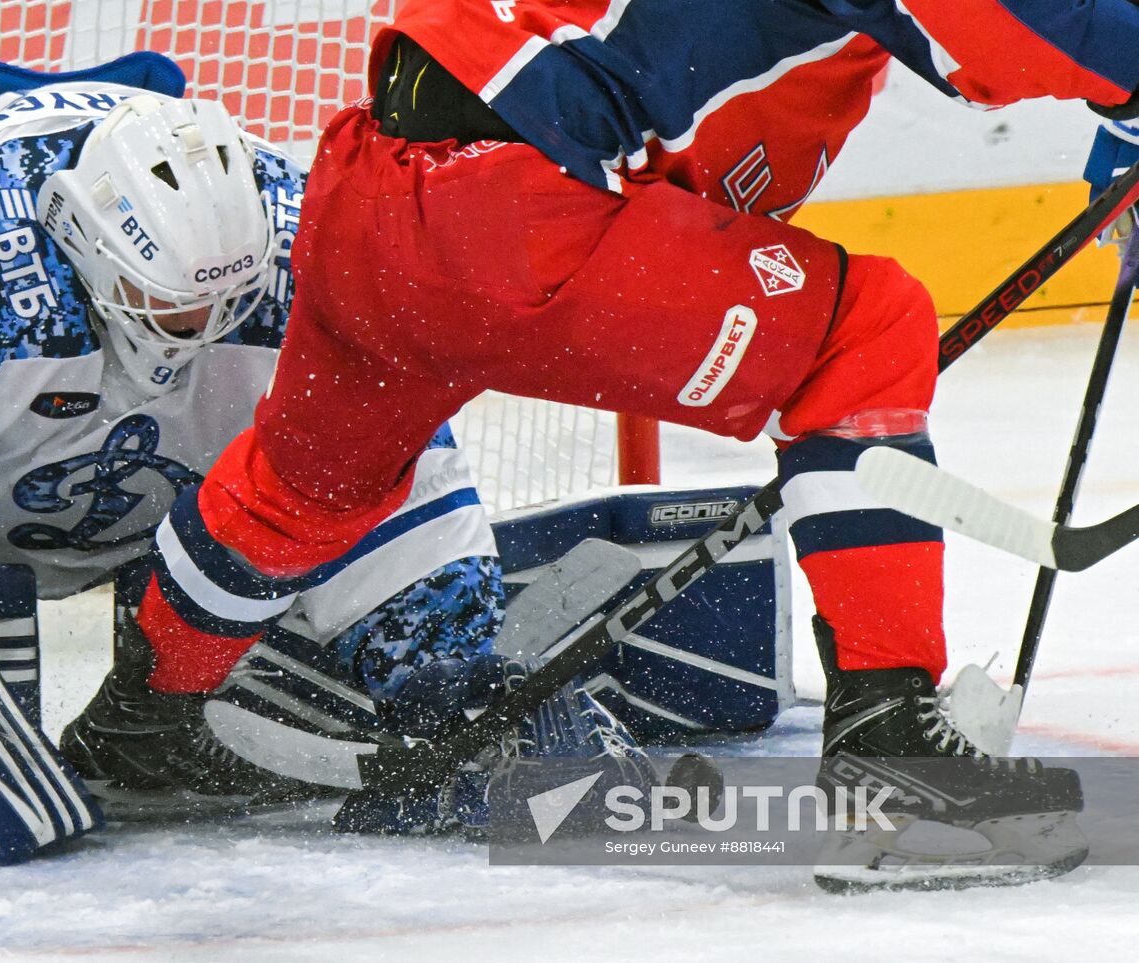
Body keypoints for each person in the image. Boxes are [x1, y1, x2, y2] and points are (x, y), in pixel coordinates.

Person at [98, 0, 1128, 874]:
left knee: (300, 488)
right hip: (517, 216)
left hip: (368, 192)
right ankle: (894, 758)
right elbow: (1021, 28)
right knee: (860, 334)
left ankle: (137, 729)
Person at [0, 51, 635, 838]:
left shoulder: (305, 244)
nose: (203, 330)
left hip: (186, 514)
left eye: (228, 304)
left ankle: (180, 655)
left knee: (368, 585)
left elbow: (388, 456)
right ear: (88, 250)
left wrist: (438, 664)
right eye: (174, 309)